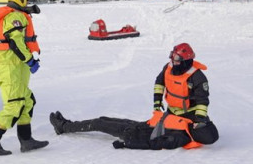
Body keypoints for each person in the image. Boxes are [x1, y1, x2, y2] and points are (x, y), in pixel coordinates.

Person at [50, 43, 219, 150]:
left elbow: (154, 143)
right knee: (103, 120)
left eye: (176, 58)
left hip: (137, 134)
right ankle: (65, 126)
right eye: (172, 57)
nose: (172, 60)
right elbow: (159, 83)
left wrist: (127, 144)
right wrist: (157, 104)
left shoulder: (182, 136)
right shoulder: (169, 69)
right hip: (157, 121)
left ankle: (64, 127)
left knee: (101, 123)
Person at [0, 0, 48, 155]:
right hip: (10, 68)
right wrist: (30, 60)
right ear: (21, 0)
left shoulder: (14, 14)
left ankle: (26, 140)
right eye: (27, 0)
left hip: (16, 66)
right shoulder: (13, 17)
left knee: (27, 101)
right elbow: (16, 43)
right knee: (14, 105)